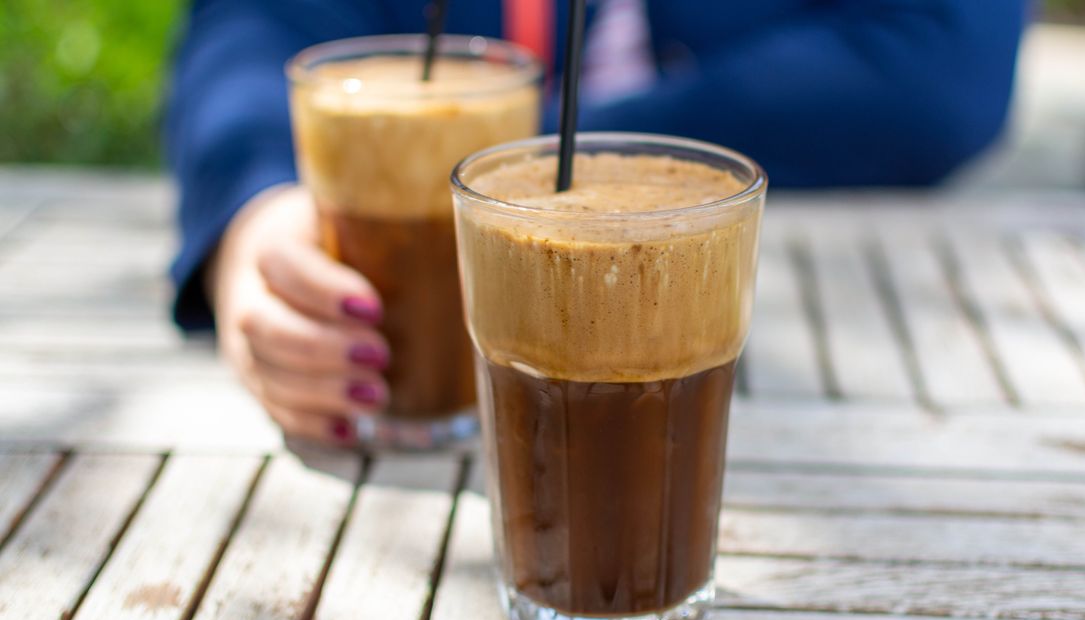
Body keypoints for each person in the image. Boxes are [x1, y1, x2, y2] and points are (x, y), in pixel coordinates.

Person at [167, 0, 1026, 444]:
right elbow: (248, 28)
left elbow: (943, 57)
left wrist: (530, 153)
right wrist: (254, 214)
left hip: (833, 341)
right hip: (401, 414)